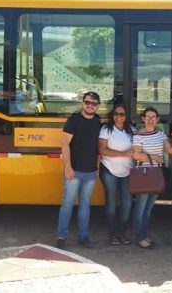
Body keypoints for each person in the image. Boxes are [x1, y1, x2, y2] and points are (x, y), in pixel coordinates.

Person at [131, 107, 172, 248]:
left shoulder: (160, 134)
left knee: (148, 208)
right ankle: (140, 237)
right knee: (140, 208)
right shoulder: (138, 135)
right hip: (144, 173)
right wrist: (155, 157)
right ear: (143, 119)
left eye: (153, 117)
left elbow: (170, 151)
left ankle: (143, 235)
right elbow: (136, 155)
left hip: (156, 174)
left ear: (157, 119)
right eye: (147, 117)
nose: (150, 120)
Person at [55, 91, 102, 249]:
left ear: (97, 106)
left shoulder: (97, 121)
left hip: (90, 172)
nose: (90, 106)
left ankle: (83, 236)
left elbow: (96, 147)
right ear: (82, 103)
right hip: (73, 171)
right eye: (88, 102)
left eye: (94, 104)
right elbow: (64, 144)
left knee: (85, 205)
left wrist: (97, 166)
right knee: (67, 204)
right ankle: (61, 236)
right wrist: (67, 167)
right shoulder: (74, 120)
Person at [98, 104, 135, 246]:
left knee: (127, 204)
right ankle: (113, 233)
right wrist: (123, 154)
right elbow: (102, 150)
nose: (119, 117)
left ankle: (122, 232)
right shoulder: (106, 129)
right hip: (109, 171)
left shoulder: (132, 130)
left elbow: (139, 146)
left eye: (122, 114)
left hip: (127, 172)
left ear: (126, 117)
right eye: (116, 114)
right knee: (111, 204)